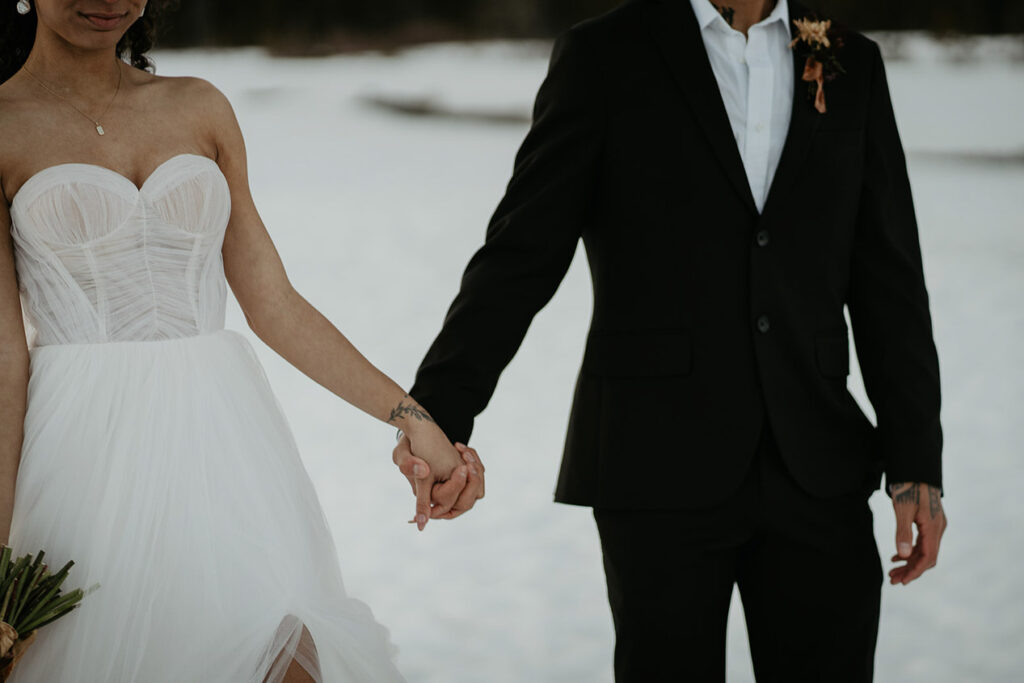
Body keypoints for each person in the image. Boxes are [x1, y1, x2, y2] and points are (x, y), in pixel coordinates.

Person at [393, 0, 948, 680]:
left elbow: (888, 277)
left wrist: (915, 459)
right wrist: (437, 413)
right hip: (654, 464)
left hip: (819, 463)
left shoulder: (847, 60)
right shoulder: (604, 56)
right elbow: (522, 253)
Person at [0, 1, 483, 681]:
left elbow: (274, 302)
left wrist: (412, 417)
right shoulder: (4, 124)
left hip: (225, 452)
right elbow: (4, 359)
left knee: (284, 657)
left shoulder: (200, 107)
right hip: (83, 465)